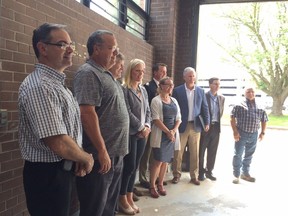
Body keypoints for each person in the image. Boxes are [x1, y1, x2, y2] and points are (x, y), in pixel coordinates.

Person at [18, 23, 94, 216]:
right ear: (42, 48)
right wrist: (85, 156)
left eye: (71, 44)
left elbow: (68, 131)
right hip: (48, 176)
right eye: (62, 44)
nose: (70, 49)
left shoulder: (58, 85)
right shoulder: (41, 87)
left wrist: (77, 154)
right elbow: (57, 141)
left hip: (62, 171)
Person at [73, 30, 129, 216]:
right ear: (96, 49)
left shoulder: (106, 75)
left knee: (108, 207)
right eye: (112, 49)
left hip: (116, 153)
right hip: (101, 157)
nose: (115, 53)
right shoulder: (88, 73)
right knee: (94, 208)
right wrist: (102, 151)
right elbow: (87, 113)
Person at [119, 59, 151, 214]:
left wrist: (148, 126)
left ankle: (130, 196)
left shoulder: (143, 89)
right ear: (130, 70)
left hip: (143, 134)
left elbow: (148, 112)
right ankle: (122, 198)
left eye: (143, 71)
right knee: (129, 166)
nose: (140, 74)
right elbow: (127, 111)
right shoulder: (124, 89)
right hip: (132, 134)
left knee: (135, 167)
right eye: (137, 70)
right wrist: (140, 127)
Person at [171, 67, 210, 185]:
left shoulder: (200, 91)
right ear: (184, 77)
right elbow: (174, 108)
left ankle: (194, 176)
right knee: (178, 151)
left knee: (195, 152)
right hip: (182, 125)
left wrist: (207, 122)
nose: (191, 78)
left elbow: (205, 107)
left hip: (195, 125)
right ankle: (176, 174)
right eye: (189, 76)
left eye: (193, 76)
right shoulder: (177, 91)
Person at [149, 77, 181, 198]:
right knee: (158, 161)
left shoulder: (174, 100)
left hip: (171, 135)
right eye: (168, 85)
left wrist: (173, 131)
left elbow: (179, 118)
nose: (171, 87)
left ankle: (161, 184)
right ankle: (152, 185)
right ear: (161, 86)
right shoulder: (156, 100)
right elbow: (156, 119)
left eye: (172, 85)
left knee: (166, 162)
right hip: (161, 135)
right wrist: (168, 132)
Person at [230, 86, 268, 184]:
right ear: (245, 93)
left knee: (249, 155)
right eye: (248, 92)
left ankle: (245, 173)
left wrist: (263, 132)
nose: (250, 93)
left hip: (254, 134)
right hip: (241, 133)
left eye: (252, 92)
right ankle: (236, 175)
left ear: (255, 93)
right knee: (238, 154)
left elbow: (264, 120)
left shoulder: (260, 105)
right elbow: (232, 118)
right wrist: (235, 131)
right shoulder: (239, 105)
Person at [139, 63, 167, 188]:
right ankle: (143, 178)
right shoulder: (148, 87)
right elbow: (147, 107)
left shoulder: (165, 87)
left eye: (165, 72)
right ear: (155, 72)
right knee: (147, 153)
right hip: (150, 125)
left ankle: (154, 178)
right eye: (162, 71)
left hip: (161, 126)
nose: (164, 74)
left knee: (156, 153)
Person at [198, 77, 225, 181]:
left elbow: (220, 113)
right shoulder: (203, 96)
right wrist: (204, 124)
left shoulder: (222, 98)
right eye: (215, 84)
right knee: (201, 151)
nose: (217, 86)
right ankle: (201, 172)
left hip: (216, 128)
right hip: (205, 127)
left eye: (218, 84)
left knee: (213, 151)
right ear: (210, 85)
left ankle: (209, 171)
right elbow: (199, 112)